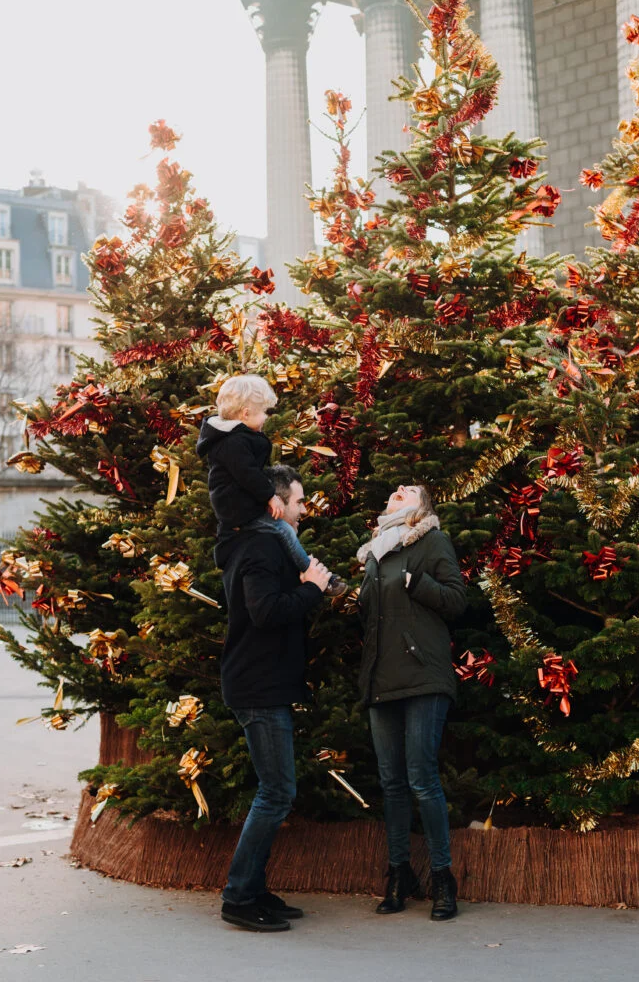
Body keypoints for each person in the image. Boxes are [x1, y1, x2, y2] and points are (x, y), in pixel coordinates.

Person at [215, 464, 331, 932]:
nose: (304, 512)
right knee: (277, 792)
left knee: (276, 790)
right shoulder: (262, 546)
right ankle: (239, 896)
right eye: (299, 502)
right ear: (276, 505)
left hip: (262, 682)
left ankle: (255, 889)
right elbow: (265, 612)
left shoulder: (259, 543)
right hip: (257, 685)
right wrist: (312, 590)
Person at [357, 484, 467, 922]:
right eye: (396, 489)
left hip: (423, 676)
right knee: (392, 783)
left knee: (422, 779)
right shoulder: (374, 552)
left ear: (421, 508)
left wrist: (417, 583)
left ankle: (443, 877)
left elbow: (458, 600)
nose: (398, 490)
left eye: (409, 490)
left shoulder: (431, 540)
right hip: (381, 679)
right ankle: (399, 874)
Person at [197, 374, 345, 596]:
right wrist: (269, 496)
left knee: (280, 530)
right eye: (263, 412)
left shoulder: (238, 437)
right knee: (283, 529)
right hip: (237, 509)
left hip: (242, 505)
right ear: (246, 413)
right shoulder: (233, 442)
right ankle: (313, 572)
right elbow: (247, 474)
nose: (266, 417)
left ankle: (308, 568)